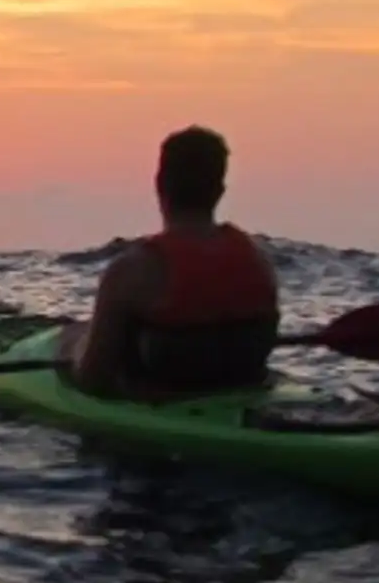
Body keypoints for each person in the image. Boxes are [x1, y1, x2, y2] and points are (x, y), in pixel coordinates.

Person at [55, 126, 282, 401]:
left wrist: (72, 346)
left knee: (72, 338)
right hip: (243, 390)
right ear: (220, 190)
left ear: (159, 184)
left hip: (164, 398)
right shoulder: (260, 260)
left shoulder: (133, 271)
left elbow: (94, 381)